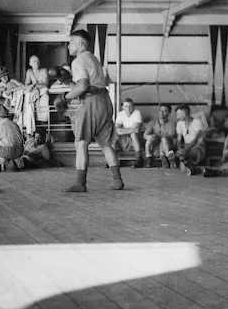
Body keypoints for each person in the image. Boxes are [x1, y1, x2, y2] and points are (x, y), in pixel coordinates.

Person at [54, 29, 123, 192]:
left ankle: (80, 183)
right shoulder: (94, 59)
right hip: (105, 102)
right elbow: (86, 85)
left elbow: (83, 87)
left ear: (80, 43)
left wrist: (64, 98)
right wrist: (67, 81)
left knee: (81, 143)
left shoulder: (78, 61)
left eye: (70, 42)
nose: (68, 46)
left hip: (91, 103)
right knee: (106, 144)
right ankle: (117, 179)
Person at [22, 55, 51, 135]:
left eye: (38, 61)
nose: (37, 63)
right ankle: (30, 128)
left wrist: (34, 86)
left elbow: (45, 84)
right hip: (35, 91)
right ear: (30, 63)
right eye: (34, 61)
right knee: (28, 95)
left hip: (42, 91)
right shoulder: (29, 71)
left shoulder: (44, 70)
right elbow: (27, 84)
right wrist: (33, 87)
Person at [143, 103, 178, 168]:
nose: (161, 113)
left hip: (165, 146)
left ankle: (167, 158)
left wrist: (162, 138)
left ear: (168, 113)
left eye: (164, 111)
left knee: (164, 139)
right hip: (154, 148)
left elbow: (171, 135)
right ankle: (149, 159)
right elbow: (145, 134)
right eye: (160, 111)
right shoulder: (152, 123)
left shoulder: (171, 124)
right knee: (149, 139)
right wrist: (149, 136)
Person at [175, 105, 206, 175]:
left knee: (183, 157)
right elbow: (179, 140)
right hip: (186, 148)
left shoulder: (197, 122)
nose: (177, 117)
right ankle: (193, 168)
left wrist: (184, 150)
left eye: (178, 114)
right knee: (183, 170)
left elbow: (196, 140)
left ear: (185, 114)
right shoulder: (179, 124)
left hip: (198, 147)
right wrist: (180, 149)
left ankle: (193, 168)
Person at [114, 98, 144, 168]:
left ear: (133, 107)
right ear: (123, 107)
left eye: (130, 106)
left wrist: (122, 130)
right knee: (113, 135)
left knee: (133, 134)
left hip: (137, 138)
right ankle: (113, 161)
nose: (128, 108)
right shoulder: (120, 114)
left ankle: (139, 159)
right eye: (126, 106)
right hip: (126, 138)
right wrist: (130, 130)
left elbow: (136, 129)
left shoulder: (137, 112)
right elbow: (116, 129)